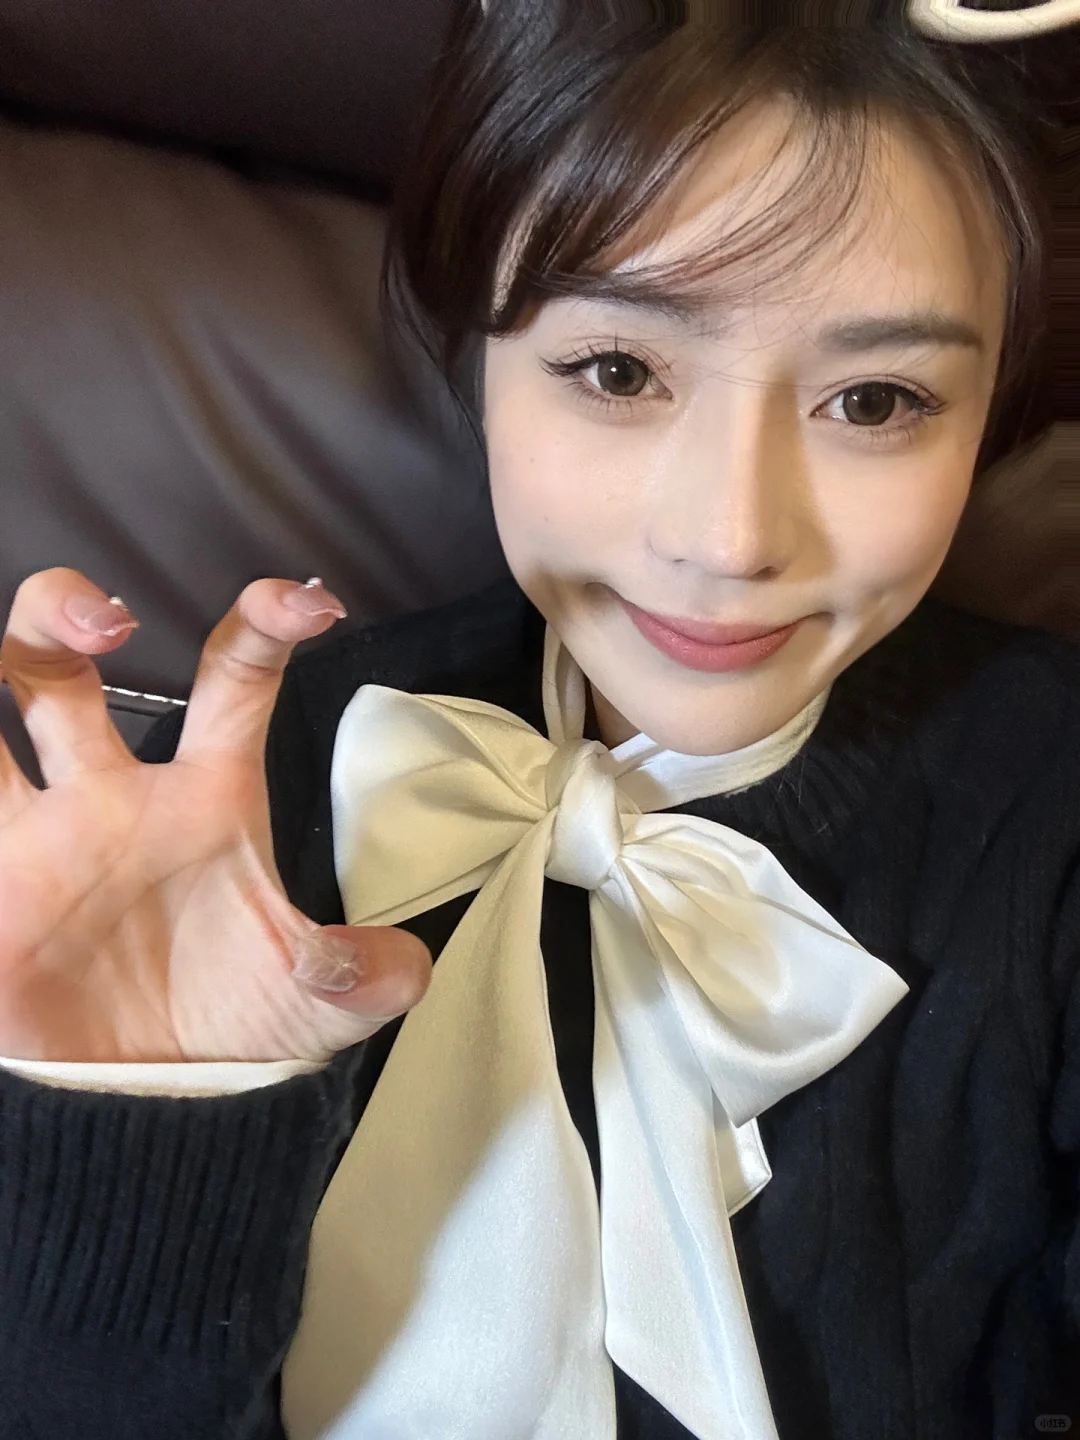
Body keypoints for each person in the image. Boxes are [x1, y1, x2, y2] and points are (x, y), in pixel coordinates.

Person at [0, 3, 1075, 1438]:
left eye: (875, 400)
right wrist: (125, 1127)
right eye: (620, 372)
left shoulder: (1050, 797)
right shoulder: (248, 779)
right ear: (480, 363)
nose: (729, 537)